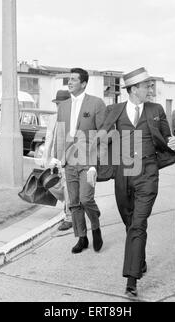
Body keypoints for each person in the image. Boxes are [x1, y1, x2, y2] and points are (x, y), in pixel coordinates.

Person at [89, 67, 175, 297]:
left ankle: (132, 280)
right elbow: (100, 139)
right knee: (130, 222)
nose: (150, 90)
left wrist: (173, 142)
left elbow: (167, 138)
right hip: (123, 173)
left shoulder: (156, 110)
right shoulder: (114, 111)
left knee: (138, 223)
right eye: (146, 86)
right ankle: (139, 258)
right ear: (133, 89)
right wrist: (92, 165)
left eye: (150, 85)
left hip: (149, 172)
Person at [51, 68, 107, 254]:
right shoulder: (63, 106)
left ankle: (96, 226)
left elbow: (103, 134)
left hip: (87, 160)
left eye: (74, 79)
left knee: (85, 199)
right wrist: (56, 157)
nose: (70, 82)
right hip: (69, 161)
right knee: (74, 202)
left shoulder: (97, 103)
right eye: (69, 79)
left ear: (83, 83)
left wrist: (95, 164)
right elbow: (59, 133)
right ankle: (81, 237)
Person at [41, 90, 73, 231]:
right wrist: (45, 158)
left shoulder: (73, 117)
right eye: (57, 104)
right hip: (55, 159)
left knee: (67, 187)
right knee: (51, 184)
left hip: (70, 159)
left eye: (61, 104)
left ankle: (69, 217)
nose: (58, 107)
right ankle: (71, 204)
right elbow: (49, 138)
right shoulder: (53, 118)